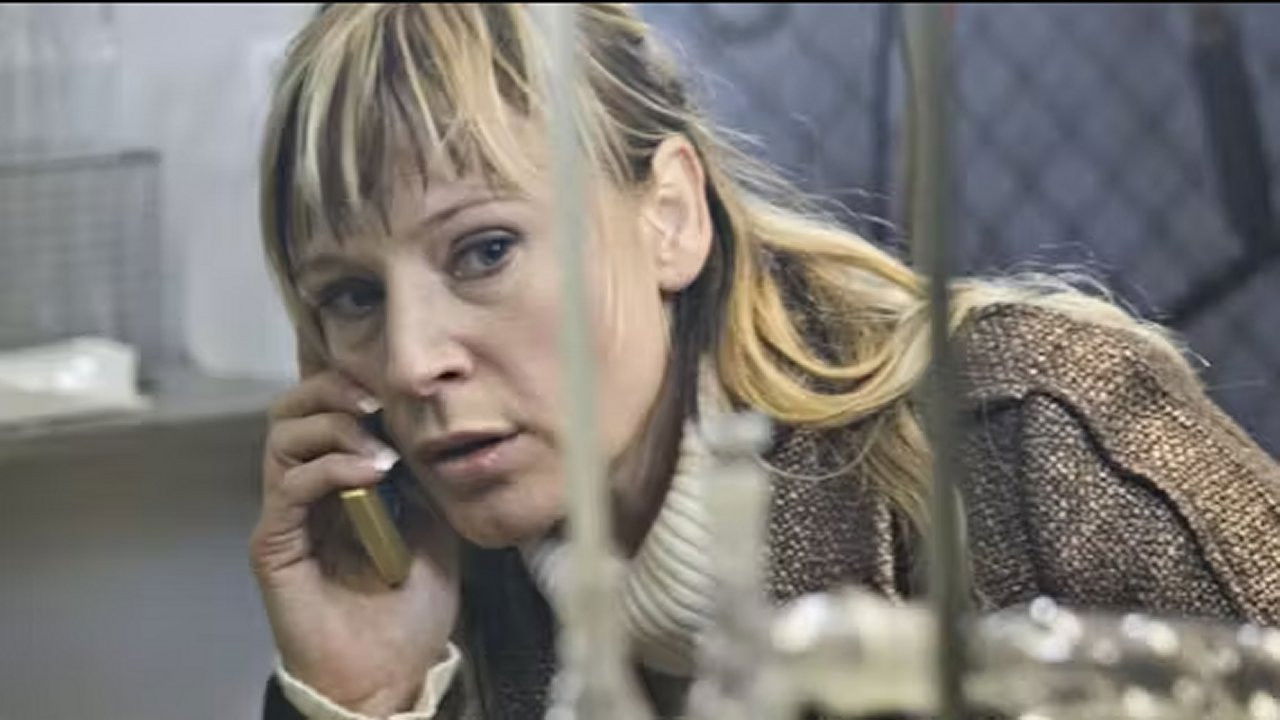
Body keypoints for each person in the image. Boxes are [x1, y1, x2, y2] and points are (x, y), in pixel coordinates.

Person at [250, 4, 1280, 719]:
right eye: (352, 296)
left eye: (483, 252)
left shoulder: (1037, 435)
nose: (411, 361)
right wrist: (361, 699)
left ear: (669, 214)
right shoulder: (460, 596)